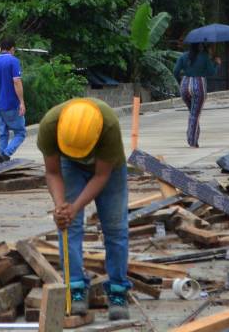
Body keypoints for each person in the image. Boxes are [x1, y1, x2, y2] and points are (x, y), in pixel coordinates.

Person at [37, 98, 130, 322]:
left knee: (115, 228)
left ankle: (118, 291)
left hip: (110, 169)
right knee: (69, 225)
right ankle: (75, 287)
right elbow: (52, 172)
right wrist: (61, 207)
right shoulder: (49, 125)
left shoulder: (108, 125)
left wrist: (76, 206)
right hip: (69, 167)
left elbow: (101, 175)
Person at [0, 38, 26, 164]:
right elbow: (16, 81)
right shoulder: (13, 61)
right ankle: (6, 154)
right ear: (12, 49)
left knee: (3, 133)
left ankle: (3, 161)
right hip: (11, 103)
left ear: (0, 49)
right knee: (20, 133)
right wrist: (22, 102)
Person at [173, 42, 218, 147]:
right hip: (198, 86)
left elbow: (175, 71)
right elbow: (211, 72)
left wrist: (182, 80)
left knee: (193, 113)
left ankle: (194, 134)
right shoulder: (204, 57)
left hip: (185, 86)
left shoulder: (183, 56)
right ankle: (192, 140)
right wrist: (216, 64)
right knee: (195, 114)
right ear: (200, 46)